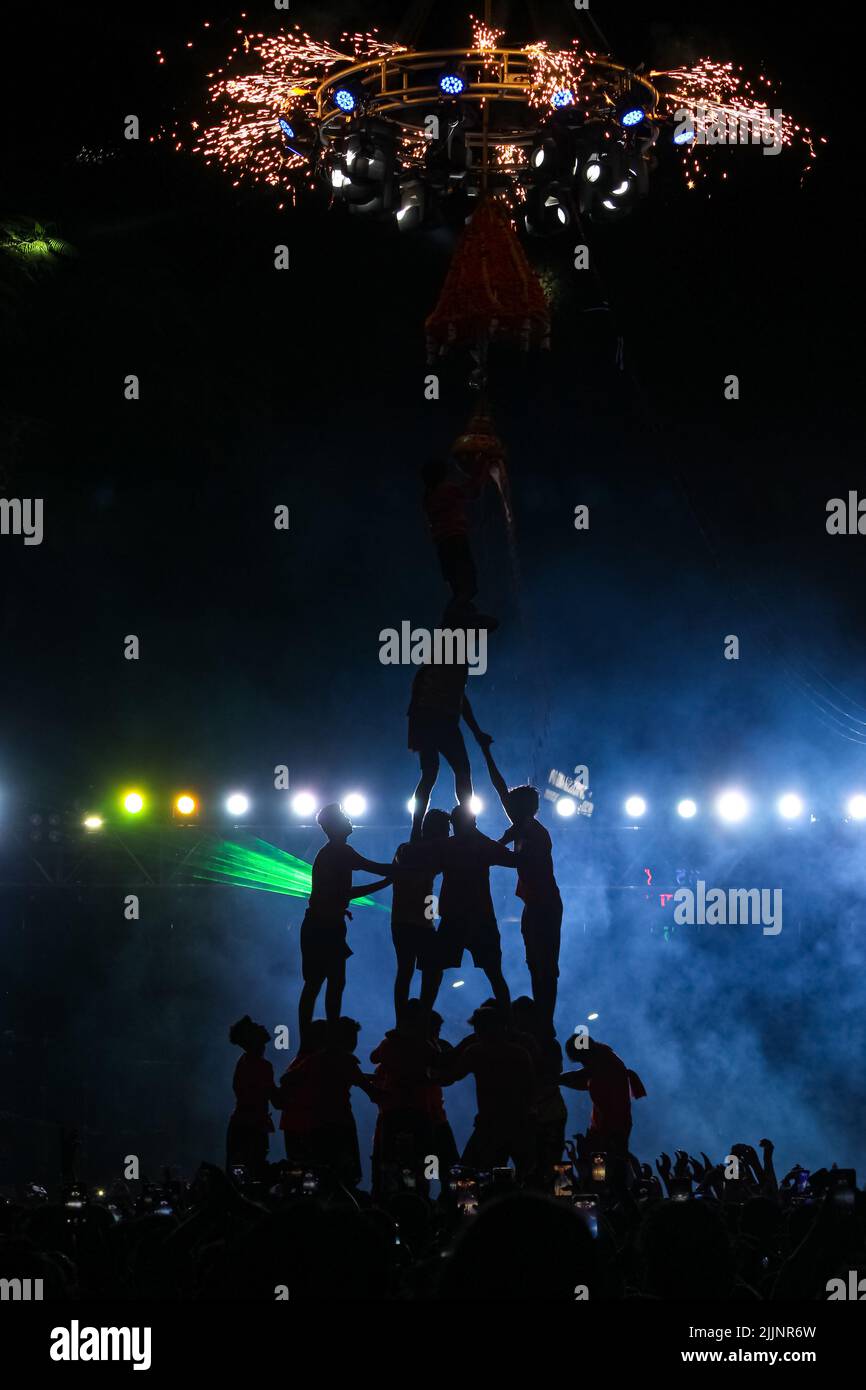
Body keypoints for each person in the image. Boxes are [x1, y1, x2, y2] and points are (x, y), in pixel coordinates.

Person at [478, 740, 563, 1033]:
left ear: (522, 808)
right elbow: (500, 789)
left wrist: (489, 852)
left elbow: (519, 862)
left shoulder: (535, 834)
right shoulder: (522, 825)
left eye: (511, 805)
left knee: (545, 965)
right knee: (534, 961)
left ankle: (545, 1021)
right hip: (534, 904)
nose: (506, 806)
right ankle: (542, 1015)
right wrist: (487, 752)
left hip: (545, 905)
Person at [298, 803, 394, 1043]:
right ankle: (323, 1039)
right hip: (323, 927)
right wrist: (394, 875)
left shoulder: (333, 851)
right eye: (343, 817)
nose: (348, 819)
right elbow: (367, 874)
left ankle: (310, 1040)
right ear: (335, 825)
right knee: (328, 983)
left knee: (320, 983)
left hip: (322, 924)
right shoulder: (341, 851)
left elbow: (338, 893)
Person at [407, 607, 493, 840]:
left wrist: (476, 732)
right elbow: (456, 698)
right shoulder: (447, 652)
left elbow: (459, 699)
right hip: (433, 718)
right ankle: (457, 825)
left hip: (435, 719)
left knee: (440, 773)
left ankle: (460, 823)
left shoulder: (449, 654)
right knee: (444, 772)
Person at [422, 802, 517, 1010]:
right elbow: (514, 860)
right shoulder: (482, 845)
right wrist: (510, 838)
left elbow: (425, 865)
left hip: (454, 916)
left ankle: (423, 1019)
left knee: (434, 972)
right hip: (481, 916)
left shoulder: (448, 846)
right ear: (473, 822)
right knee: (495, 975)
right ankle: (509, 1024)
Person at [274, 1017, 381, 1188]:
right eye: (352, 1038)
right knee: (345, 1176)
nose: (354, 1044)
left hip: (315, 1125)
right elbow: (371, 1092)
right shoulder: (345, 1060)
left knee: (315, 1175)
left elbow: (286, 1080)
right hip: (341, 1124)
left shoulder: (312, 1060)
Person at [435, 1005, 536, 1179]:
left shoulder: (476, 1052)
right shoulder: (520, 1053)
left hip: (490, 1124)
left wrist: (429, 1073)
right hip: (520, 1121)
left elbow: (451, 1077)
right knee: (527, 1174)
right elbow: (532, 1088)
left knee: (469, 1173)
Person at [389, 808, 451, 1019]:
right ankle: (420, 1016)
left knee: (409, 970)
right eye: (446, 829)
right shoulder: (410, 850)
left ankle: (408, 1019)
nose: (448, 834)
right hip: (409, 921)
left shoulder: (409, 850)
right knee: (421, 970)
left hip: (409, 920)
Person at [560, 1034, 647, 1159]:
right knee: (602, 1167)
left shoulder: (605, 1061)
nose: (583, 1064)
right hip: (605, 1125)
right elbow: (586, 1083)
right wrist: (561, 1082)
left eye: (581, 1060)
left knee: (604, 1169)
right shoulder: (601, 1058)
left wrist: (558, 1079)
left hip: (612, 1127)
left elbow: (579, 1076)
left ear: (585, 1053)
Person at [422, 455, 489, 604]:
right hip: (455, 538)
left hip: (442, 542)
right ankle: (461, 610)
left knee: (455, 581)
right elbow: (473, 490)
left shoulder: (428, 497)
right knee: (468, 580)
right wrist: (482, 464)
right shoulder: (446, 490)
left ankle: (458, 609)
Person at [226, 1015, 275, 1178]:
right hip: (251, 1128)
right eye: (255, 1026)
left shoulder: (243, 1061)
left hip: (242, 1126)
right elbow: (276, 1099)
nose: (261, 1026)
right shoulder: (262, 1066)